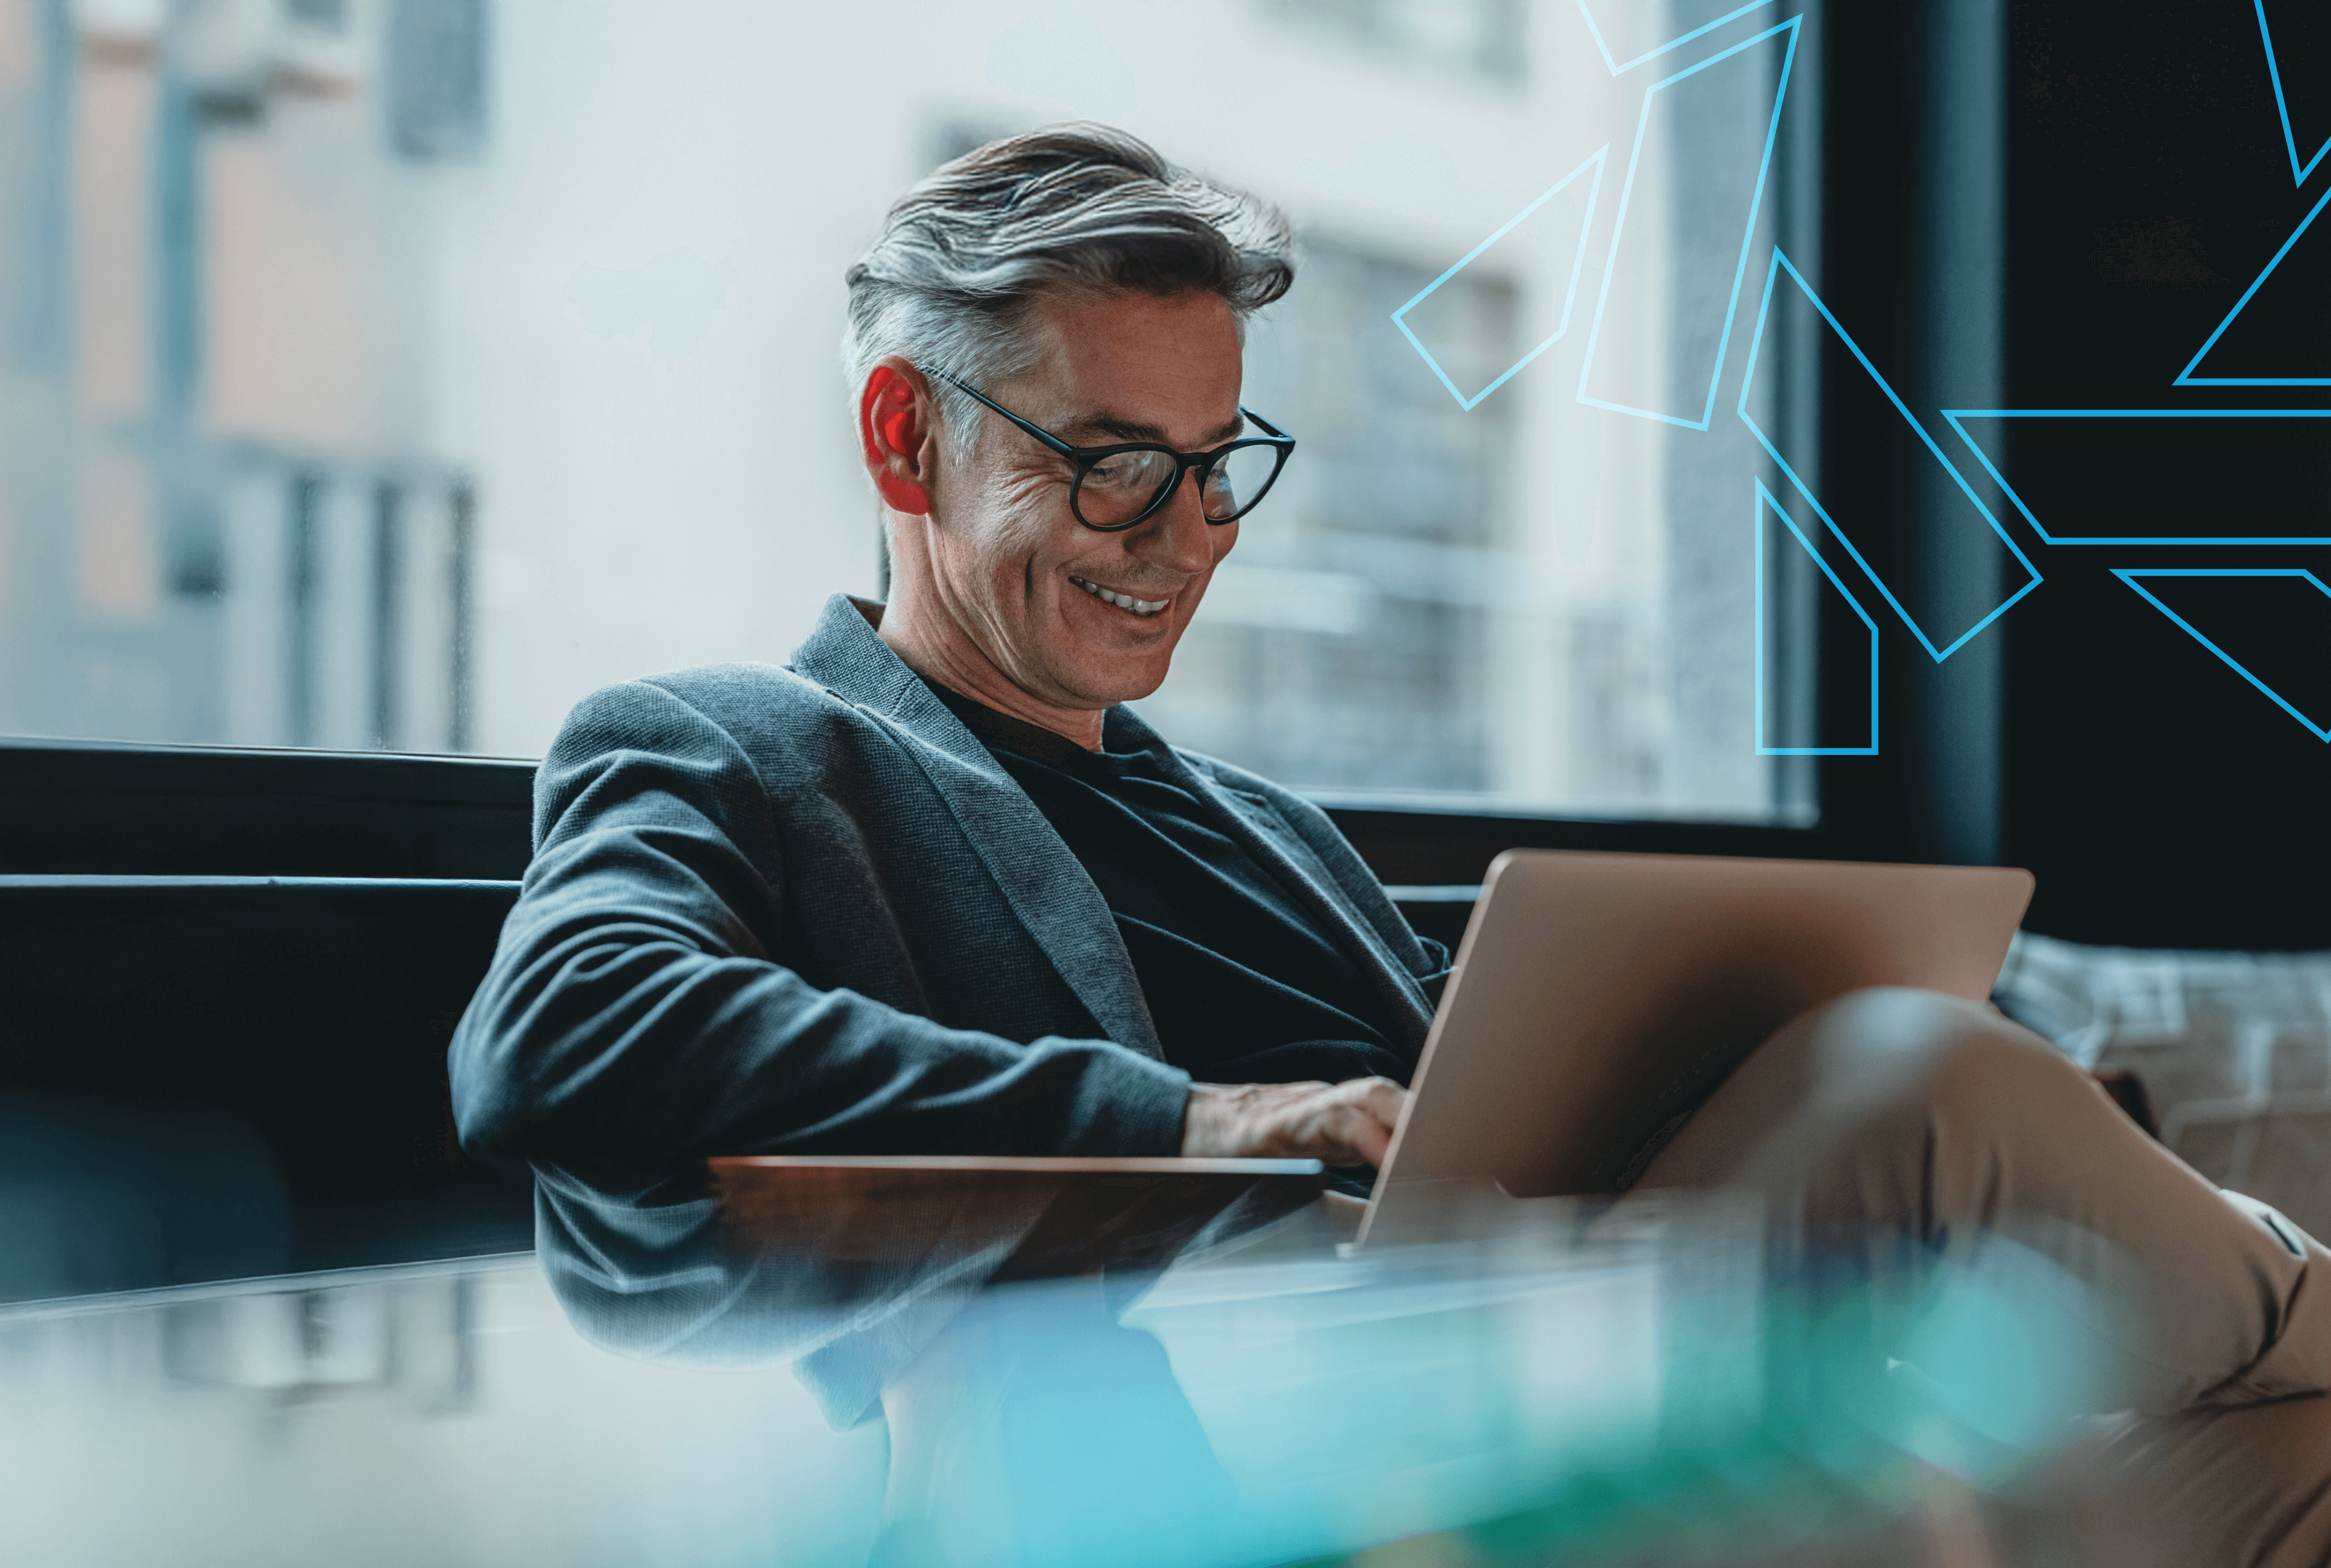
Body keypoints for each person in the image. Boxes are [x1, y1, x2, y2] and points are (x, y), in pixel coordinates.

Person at [450, 124, 2331, 1562]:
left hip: (1566, 1358)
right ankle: (2275, 1270)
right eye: (1111, 460)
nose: (1183, 534)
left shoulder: (1271, 832)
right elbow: (569, 1031)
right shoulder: (739, 745)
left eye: (1218, 465)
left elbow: (1485, 1118)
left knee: (2279, 1452)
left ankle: (2261, 1300)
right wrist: (1194, 1118)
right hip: (1248, 1447)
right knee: (1916, 1071)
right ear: (901, 435)